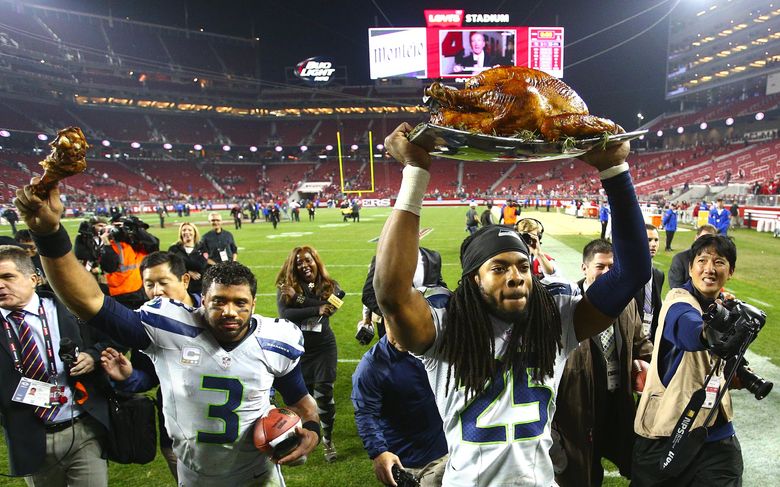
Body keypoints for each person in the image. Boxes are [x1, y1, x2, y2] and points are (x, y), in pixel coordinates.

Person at [374, 122, 650, 486]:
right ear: (475, 279)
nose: (516, 276)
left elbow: (632, 274)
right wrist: (415, 172)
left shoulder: (556, 318)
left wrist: (615, 171)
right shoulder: (446, 326)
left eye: (522, 266)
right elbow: (392, 293)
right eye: (499, 268)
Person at [14, 176, 321, 486]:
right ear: (204, 300)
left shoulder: (277, 340)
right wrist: (48, 234)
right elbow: (90, 302)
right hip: (195, 477)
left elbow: (302, 402)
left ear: (254, 304)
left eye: (240, 303)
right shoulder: (167, 326)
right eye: (219, 302)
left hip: (259, 476)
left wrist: (313, 431)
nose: (229, 311)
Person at [633, 235, 744, 486]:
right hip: (667, 432)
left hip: (716, 434)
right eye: (702, 260)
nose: (709, 269)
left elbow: (729, 369)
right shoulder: (678, 301)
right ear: (690, 267)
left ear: (731, 271)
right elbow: (690, 332)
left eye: (719, 262)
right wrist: (712, 332)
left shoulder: (725, 308)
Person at [0, 244, 110, 484]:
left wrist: (92, 356)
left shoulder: (71, 306)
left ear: (33, 278)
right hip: (29, 437)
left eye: (8, 276)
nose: (0, 285)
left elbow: (113, 338)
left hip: (83, 428)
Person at [551, 239, 653, 486]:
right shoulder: (565, 305)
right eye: (600, 267)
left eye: (611, 267)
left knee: (632, 461)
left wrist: (649, 365)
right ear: (584, 268)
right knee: (582, 471)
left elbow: (640, 342)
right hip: (577, 404)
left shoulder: (626, 302)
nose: (607, 273)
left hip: (618, 399)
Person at [101, 251, 200, 481]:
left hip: (226, 428)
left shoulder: (213, 311)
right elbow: (148, 378)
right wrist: (127, 376)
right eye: (149, 285)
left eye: (163, 283)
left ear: (185, 280)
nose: (156, 292)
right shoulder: (149, 322)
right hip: (176, 430)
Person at [352, 326, 448, 487]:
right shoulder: (371, 367)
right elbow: (366, 413)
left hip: (447, 449)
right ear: (384, 320)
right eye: (393, 325)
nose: (401, 333)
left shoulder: (437, 346)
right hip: (407, 461)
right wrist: (379, 452)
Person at [276, 246, 342, 463]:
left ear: (316, 260)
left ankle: (328, 440)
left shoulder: (332, 286)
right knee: (300, 399)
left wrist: (300, 300)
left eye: (308, 260)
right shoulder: (286, 287)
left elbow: (331, 308)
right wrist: (315, 308)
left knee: (324, 394)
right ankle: (300, 437)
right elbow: (285, 314)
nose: (304, 265)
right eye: (298, 262)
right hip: (298, 349)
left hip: (324, 347)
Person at [361, 247, 447, 340]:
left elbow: (439, 286)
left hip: (427, 324)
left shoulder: (433, 256)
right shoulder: (383, 258)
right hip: (394, 328)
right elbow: (368, 294)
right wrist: (394, 315)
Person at [100, 215, 159, 310]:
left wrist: (137, 228)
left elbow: (154, 244)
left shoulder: (142, 245)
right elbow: (108, 267)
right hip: (122, 296)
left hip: (141, 293)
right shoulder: (114, 245)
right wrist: (106, 244)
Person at [635, 224, 665, 340]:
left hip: (651, 336)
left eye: (656, 240)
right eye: (648, 240)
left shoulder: (658, 275)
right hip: (630, 335)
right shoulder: (627, 274)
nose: (653, 244)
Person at [668, 224, 718, 289]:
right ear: (696, 238)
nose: (706, 243)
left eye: (710, 240)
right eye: (703, 238)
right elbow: (676, 288)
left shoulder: (717, 262)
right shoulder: (680, 259)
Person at [168, 222, 208, 295]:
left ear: (195, 232)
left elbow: (201, 265)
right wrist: (188, 272)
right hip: (180, 286)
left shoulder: (202, 247)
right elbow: (172, 267)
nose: (186, 232)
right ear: (180, 233)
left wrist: (183, 265)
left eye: (189, 230)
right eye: (184, 230)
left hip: (199, 287)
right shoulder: (173, 249)